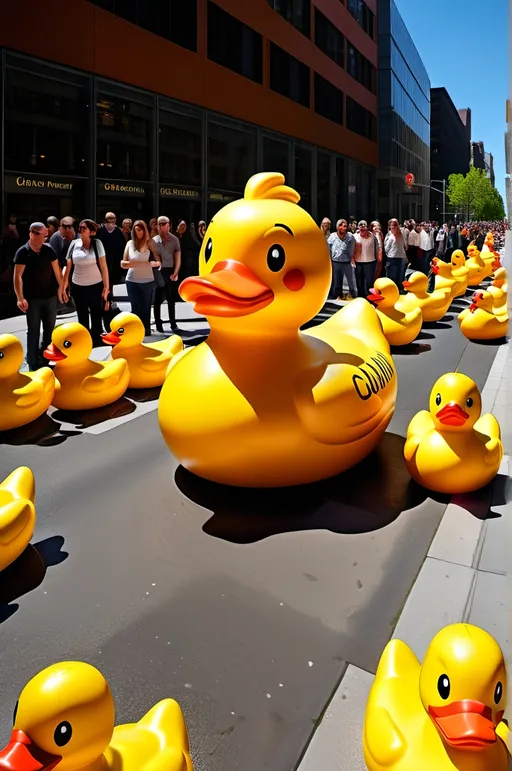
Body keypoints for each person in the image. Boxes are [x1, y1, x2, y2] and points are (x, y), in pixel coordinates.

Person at [13, 222, 65, 371]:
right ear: (33, 234)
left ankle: (46, 358)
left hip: (50, 297)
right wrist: (20, 297)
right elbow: (18, 277)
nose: (46, 238)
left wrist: (62, 290)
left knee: (49, 330)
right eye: (44, 235)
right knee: (33, 330)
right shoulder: (22, 252)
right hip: (33, 299)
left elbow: (57, 272)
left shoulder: (48, 250)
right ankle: (32, 362)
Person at [62, 219, 110, 346]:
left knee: (96, 313)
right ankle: (84, 341)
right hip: (78, 286)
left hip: (96, 285)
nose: (81, 230)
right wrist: (64, 284)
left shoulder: (97, 244)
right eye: (80, 228)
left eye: (84, 228)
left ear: (92, 232)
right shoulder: (73, 244)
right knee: (82, 314)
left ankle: (97, 339)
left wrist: (107, 286)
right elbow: (68, 265)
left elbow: (103, 266)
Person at [121, 220, 160, 336]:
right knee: (135, 307)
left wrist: (148, 264)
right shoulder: (130, 244)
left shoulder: (150, 242)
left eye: (141, 229)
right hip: (132, 280)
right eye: (136, 230)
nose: (139, 232)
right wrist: (139, 264)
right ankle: (135, 331)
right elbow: (123, 263)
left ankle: (146, 330)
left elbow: (158, 261)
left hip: (147, 280)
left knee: (146, 308)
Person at [153, 216, 181, 332]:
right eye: (160, 224)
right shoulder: (154, 241)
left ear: (169, 225)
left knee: (171, 298)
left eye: (164, 224)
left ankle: (173, 324)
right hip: (158, 271)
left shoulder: (174, 240)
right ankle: (158, 324)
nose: (162, 226)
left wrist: (175, 272)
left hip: (170, 270)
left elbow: (178, 257)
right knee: (158, 299)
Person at [327, 219, 357, 300]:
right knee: (336, 280)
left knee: (351, 281)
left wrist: (352, 259)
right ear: (337, 227)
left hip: (347, 262)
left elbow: (352, 248)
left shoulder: (350, 237)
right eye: (341, 226)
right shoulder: (332, 236)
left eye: (345, 226)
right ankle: (336, 296)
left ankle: (353, 295)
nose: (343, 228)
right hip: (335, 262)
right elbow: (328, 248)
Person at [97, 212, 126, 289]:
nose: (111, 221)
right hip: (102, 257)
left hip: (115, 259)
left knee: (113, 279)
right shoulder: (100, 230)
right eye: (109, 218)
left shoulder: (118, 231)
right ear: (105, 220)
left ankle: (110, 296)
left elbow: (122, 245)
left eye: (113, 219)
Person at [354, 220, 381, 298]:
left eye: (364, 225)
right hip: (358, 263)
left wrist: (378, 259)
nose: (362, 226)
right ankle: (360, 298)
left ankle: (369, 298)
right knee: (359, 282)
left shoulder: (373, 236)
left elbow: (377, 248)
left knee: (369, 282)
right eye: (360, 225)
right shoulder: (354, 236)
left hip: (370, 262)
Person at [384, 219, 408, 288]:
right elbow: (386, 249)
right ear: (390, 226)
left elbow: (403, 245)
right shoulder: (389, 235)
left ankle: (399, 289)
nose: (396, 227)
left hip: (401, 258)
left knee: (400, 276)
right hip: (392, 259)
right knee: (392, 276)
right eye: (394, 225)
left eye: (397, 224)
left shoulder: (401, 234)